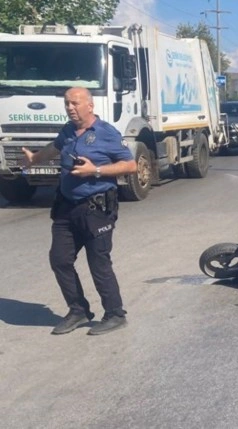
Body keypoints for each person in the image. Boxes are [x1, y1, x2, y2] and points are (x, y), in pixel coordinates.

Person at [21, 87, 137, 335]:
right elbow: (55, 147)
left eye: (75, 103)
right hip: (66, 207)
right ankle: (78, 310)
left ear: (90, 106)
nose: (70, 108)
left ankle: (115, 314)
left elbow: (130, 165)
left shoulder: (106, 133)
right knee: (60, 260)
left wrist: (95, 171)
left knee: (98, 263)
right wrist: (35, 158)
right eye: (67, 103)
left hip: (96, 208)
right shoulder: (68, 131)